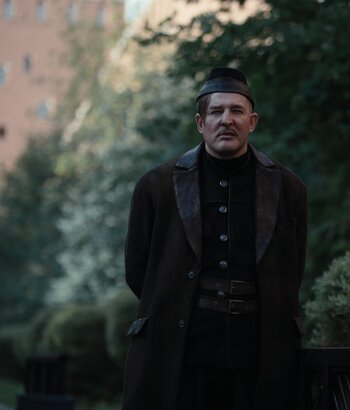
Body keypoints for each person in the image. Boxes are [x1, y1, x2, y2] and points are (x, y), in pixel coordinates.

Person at [122, 67, 307, 410]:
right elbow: (138, 272)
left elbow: (293, 270)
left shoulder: (288, 187)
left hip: (259, 353)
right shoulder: (156, 186)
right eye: (216, 111)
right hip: (181, 351)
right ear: (200, 122)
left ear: (252, 122)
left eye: (237, 111)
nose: (227, 120)